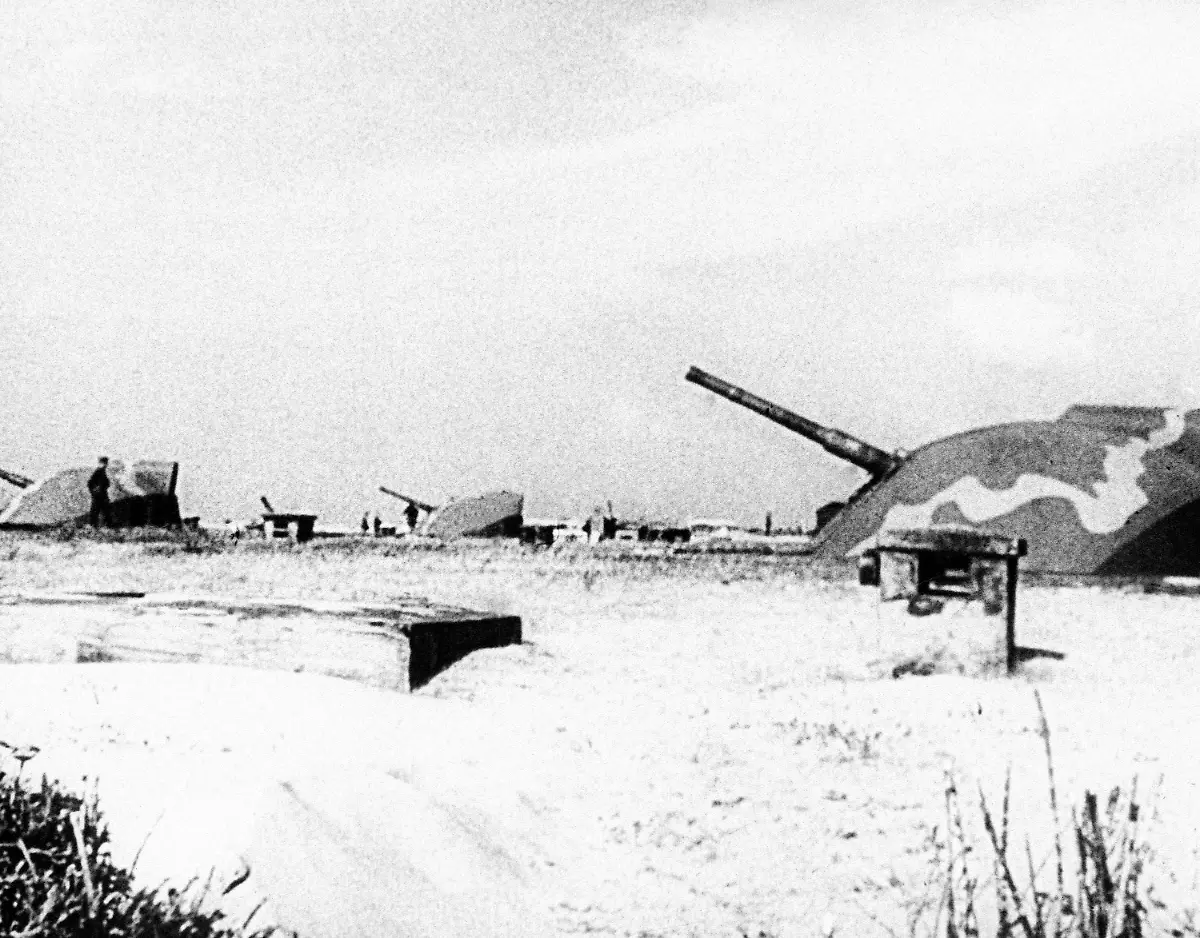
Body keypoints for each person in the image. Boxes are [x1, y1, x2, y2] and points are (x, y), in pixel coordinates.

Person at [87, 456, 111, 529]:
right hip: (99, 496)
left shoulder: (102, 471)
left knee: (103, 511)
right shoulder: (99, 471)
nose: (106, 464)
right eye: (105, 463)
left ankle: (104, 526)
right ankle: (95, 527)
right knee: (97, 512)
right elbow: (90, 483)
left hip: (101, 495)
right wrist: (95, 491)